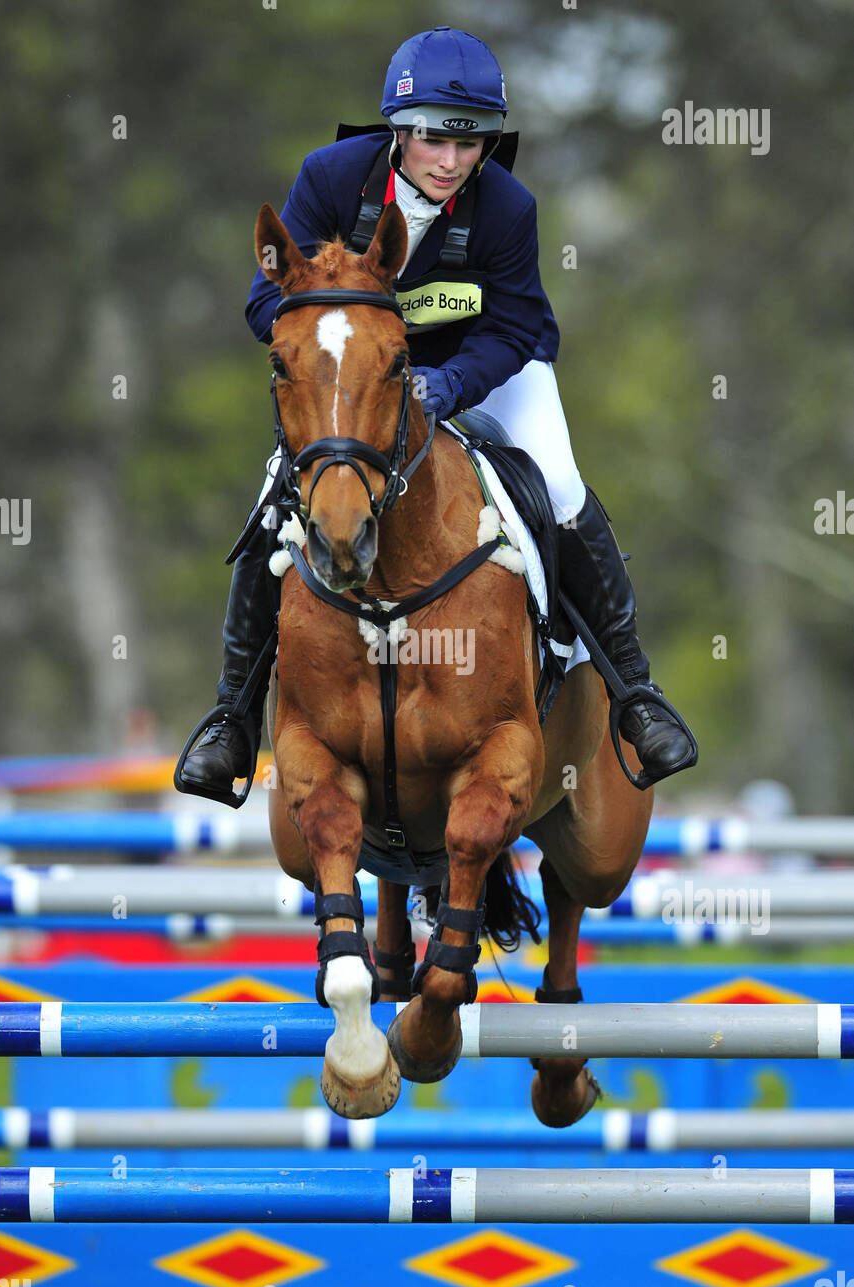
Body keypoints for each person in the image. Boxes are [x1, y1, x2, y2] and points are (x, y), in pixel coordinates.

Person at [178, 25, 695, 801]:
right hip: (356, 378)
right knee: (270, 501)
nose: (451, 163)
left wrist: (447, 385)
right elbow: (266, 299)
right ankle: (231, 719)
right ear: (397, 130)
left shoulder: (506, 207)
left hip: (485, 369)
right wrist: (343, 340)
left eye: (471, 144)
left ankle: (635, 696)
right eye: (433, 141)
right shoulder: (329, 178)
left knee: (557, 487)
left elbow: (518, 327)